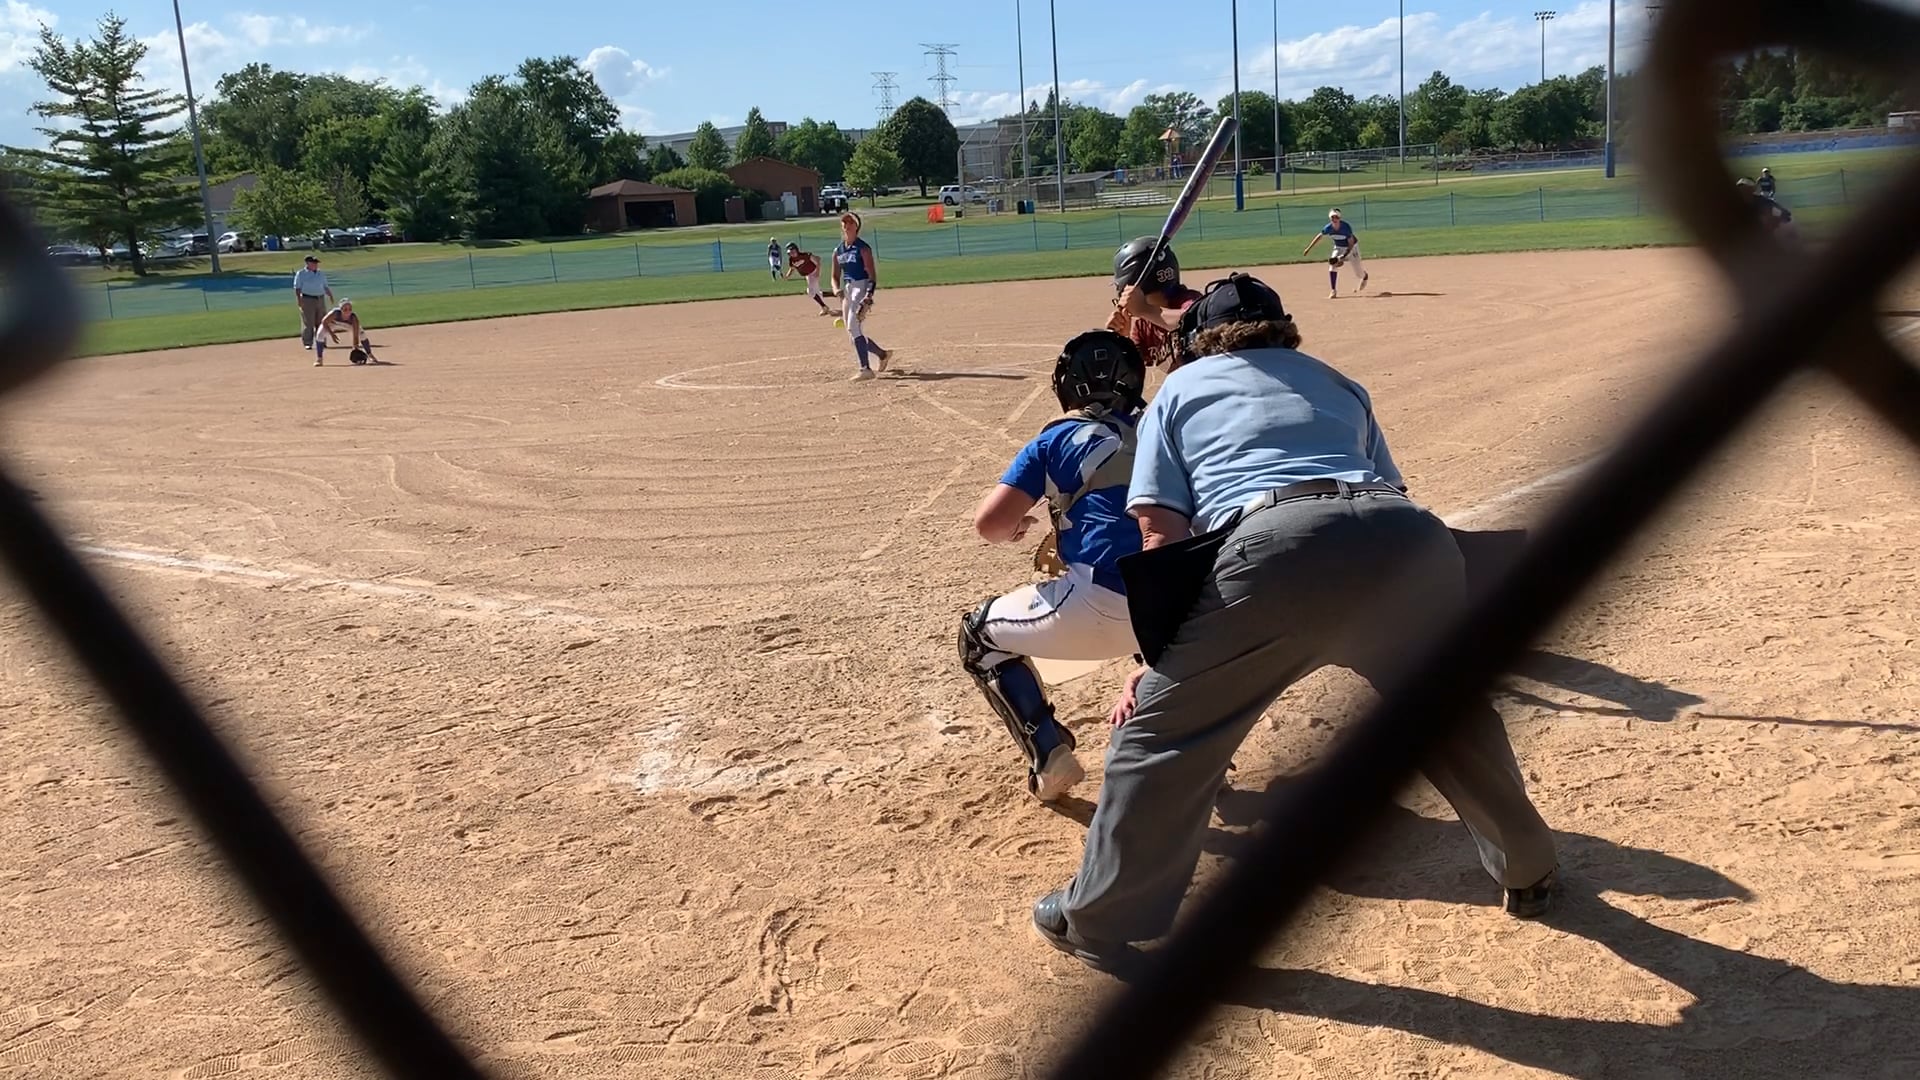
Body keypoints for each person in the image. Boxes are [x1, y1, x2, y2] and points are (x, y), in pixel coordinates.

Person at [1031, 272, 1559, 971]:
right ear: (1282, 329)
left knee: (1159, 738)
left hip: (1275, 549)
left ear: (1198, 338)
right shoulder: (1338, 382)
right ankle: (1529, 867)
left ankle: (1098, 919)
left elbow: (1160, 532)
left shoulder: (1180, 389)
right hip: (1408, 541)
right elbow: (1386, 490)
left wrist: (1155, 661)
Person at [960, 329, 1148, 802]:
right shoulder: (1160, 431)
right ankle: (1201, 754)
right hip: (1182, 607)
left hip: (1102, 601)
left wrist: (1020, 524)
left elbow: (990, 525)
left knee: (978, 639)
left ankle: (1050, 756)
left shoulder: (1055, 440)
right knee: (1162, 600)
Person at [1105, 237, 1201, 369]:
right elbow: (1130, 370)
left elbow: (1198, 321)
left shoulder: (1188, 300)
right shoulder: (1143, 323)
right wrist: (1122, 339)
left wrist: (1144, 309)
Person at [829, 211, 892, 381]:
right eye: (844, 222)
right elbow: (834, 276)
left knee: (853, 326)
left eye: (850, 222)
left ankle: (865, 369)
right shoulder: (838, 250)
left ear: (857, 227)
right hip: (848, 290)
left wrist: (868, 296)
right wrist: (836, 289)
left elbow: (872, 275)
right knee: (852, 333)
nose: (847, 225)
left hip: (861, 286)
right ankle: (882, 354)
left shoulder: (862, 248)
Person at [1302, 208, 1369, 299]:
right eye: (1332, 217)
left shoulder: (1345, 227)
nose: (1334, 219)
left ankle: (1365, 276)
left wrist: (1343, 256)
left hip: (1352, 248)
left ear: (1339, 218)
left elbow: (1351, 243)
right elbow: (1319, 237)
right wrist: (1308, 248)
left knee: (1359, 274)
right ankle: (1333, 290)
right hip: (1338, 247)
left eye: (1336, 217)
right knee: (1332, 265)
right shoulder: (1328, 228)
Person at [292, 255, 333, 351]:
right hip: (307, 299)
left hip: (320, 299)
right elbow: (297, 288)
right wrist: (299, 300)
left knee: (322, 321)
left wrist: (330, 295)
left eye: (316, 263)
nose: (316, 264)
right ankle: (308, 343)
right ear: (308, 263)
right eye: (314, 263)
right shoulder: (301, 274)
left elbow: (325, 286)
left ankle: (321, 341)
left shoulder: (320, 273)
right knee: (308, 322)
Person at [313, 299, 365, 367]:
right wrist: (332, 334)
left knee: (362, 333)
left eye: (350, 309)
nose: (348, 311)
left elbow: (355, 335)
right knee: (319, 335)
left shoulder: (353, 318)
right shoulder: (335, 313)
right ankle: (319, 359)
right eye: (345, 309)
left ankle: (371, 356)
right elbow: (324, 322)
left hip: (346, 325)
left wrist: (355, 347)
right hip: (332, 324)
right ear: (341, 309)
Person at [784, 242, 830, 316]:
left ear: (797, 250)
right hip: (808, 275)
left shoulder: (805, 255)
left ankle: (824, 307)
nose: (792, 254)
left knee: (810, 292)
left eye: (793, 251)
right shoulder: (791, 260)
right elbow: (792, 268)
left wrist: (818, 271)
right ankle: (827, 302)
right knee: (816, 292)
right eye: (790, 252)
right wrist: (787, 275)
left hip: (813, 272)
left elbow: (818, 259)